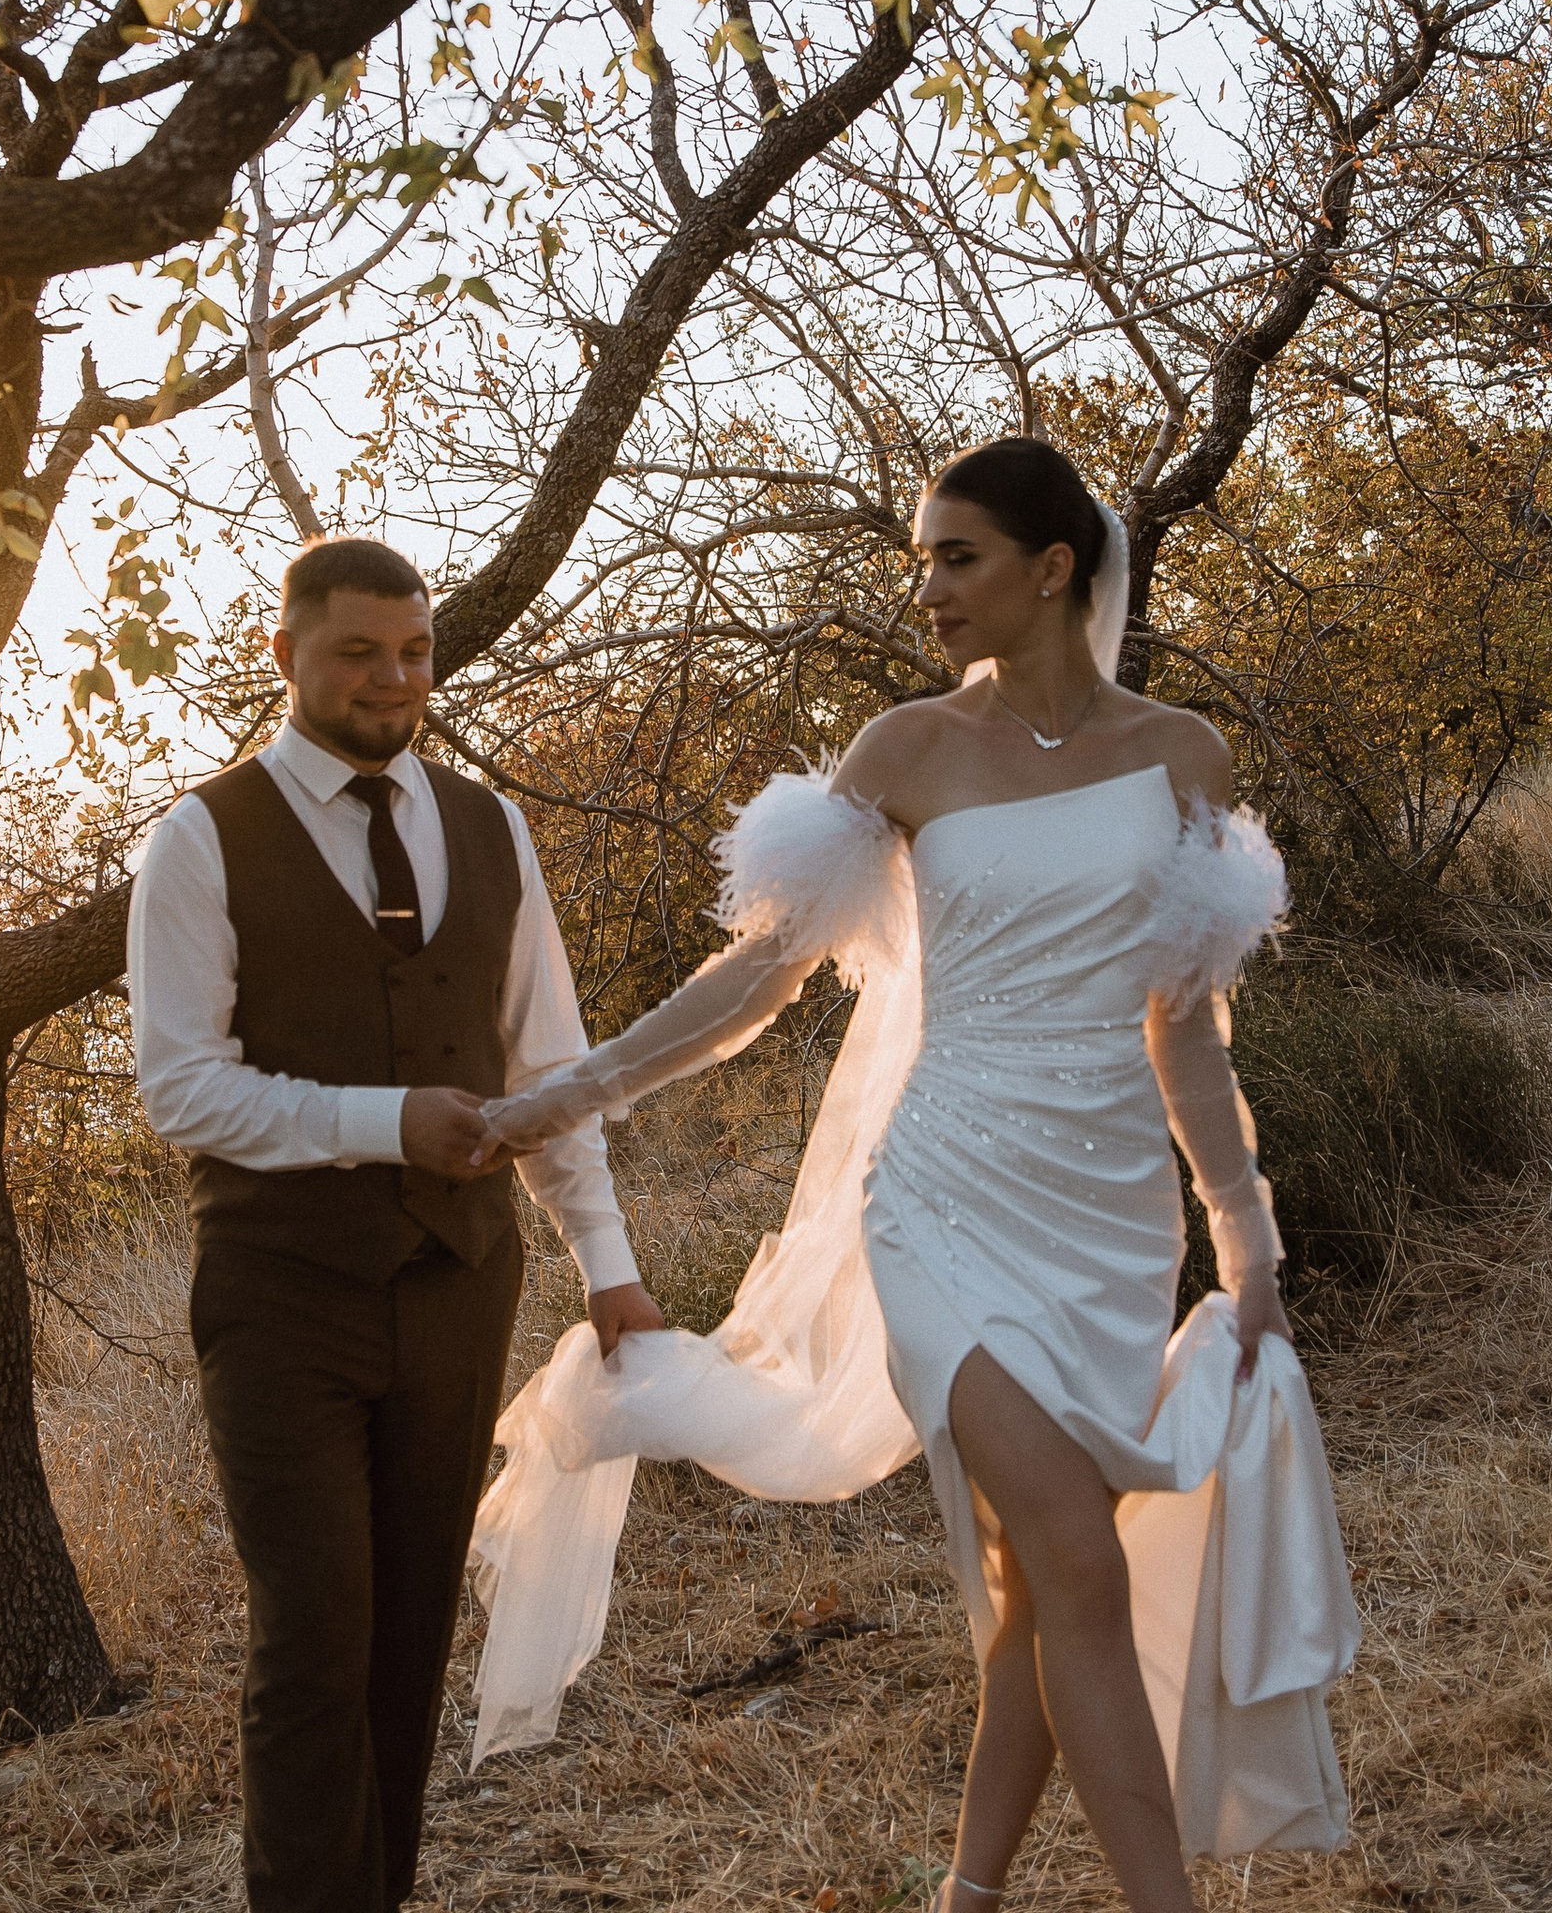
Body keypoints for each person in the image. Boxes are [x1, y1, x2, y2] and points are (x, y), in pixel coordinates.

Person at [471, 440, 1358, 1911]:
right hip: (946, 1201)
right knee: (1081, 1560)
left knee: (1037, 1595)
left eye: (957, 557)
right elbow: (763, 974)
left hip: (1110, 1218)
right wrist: (575, 1088)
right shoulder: (905, 751)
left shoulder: (1183, 755)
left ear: (1053, 568)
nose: (927, 589)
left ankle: (967, 1897)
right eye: (921, 561)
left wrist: (1244, 1241)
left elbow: (1185, 1030)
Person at [127, 535, 664, 1913]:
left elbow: (550, 1065)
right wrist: (383, 1121)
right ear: (285, 654)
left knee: (410, 1631)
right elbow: (180, 1089)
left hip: (459, 1283)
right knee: (316, 1636)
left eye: (415, 651)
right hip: (281, 1297)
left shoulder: (489, 828)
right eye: (358, 652)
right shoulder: (203, 837)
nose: (393, 679)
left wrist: (607, 1266)